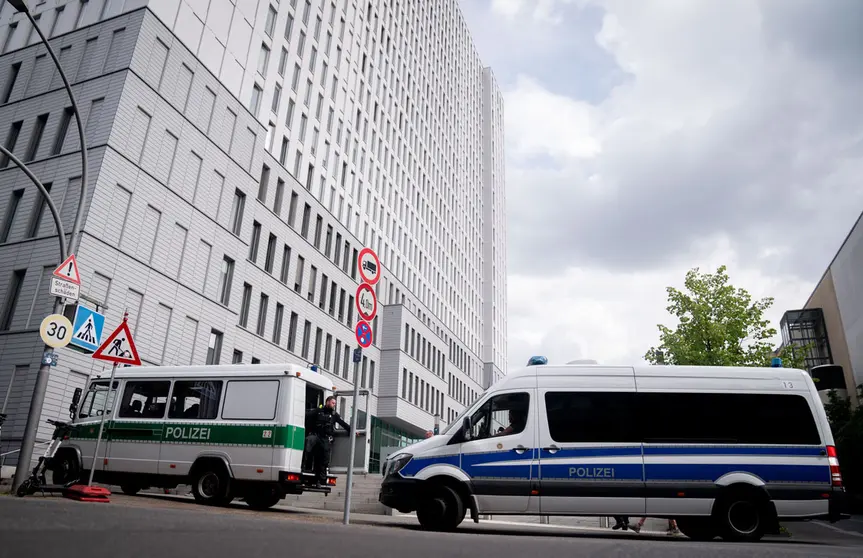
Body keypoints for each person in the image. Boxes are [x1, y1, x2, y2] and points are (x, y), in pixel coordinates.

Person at [304, 396, 352, 486]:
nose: (334, 405)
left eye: (335, 403)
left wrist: (352, 430)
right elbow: (307, 416)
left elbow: (343, 423)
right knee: (308, 444)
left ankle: (320, 480)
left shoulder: (334, 414)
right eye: (333, 403)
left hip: (325, 438)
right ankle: (305, 467)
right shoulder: (318, 411)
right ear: (328, 402)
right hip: (316, 435)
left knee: (324, 459)